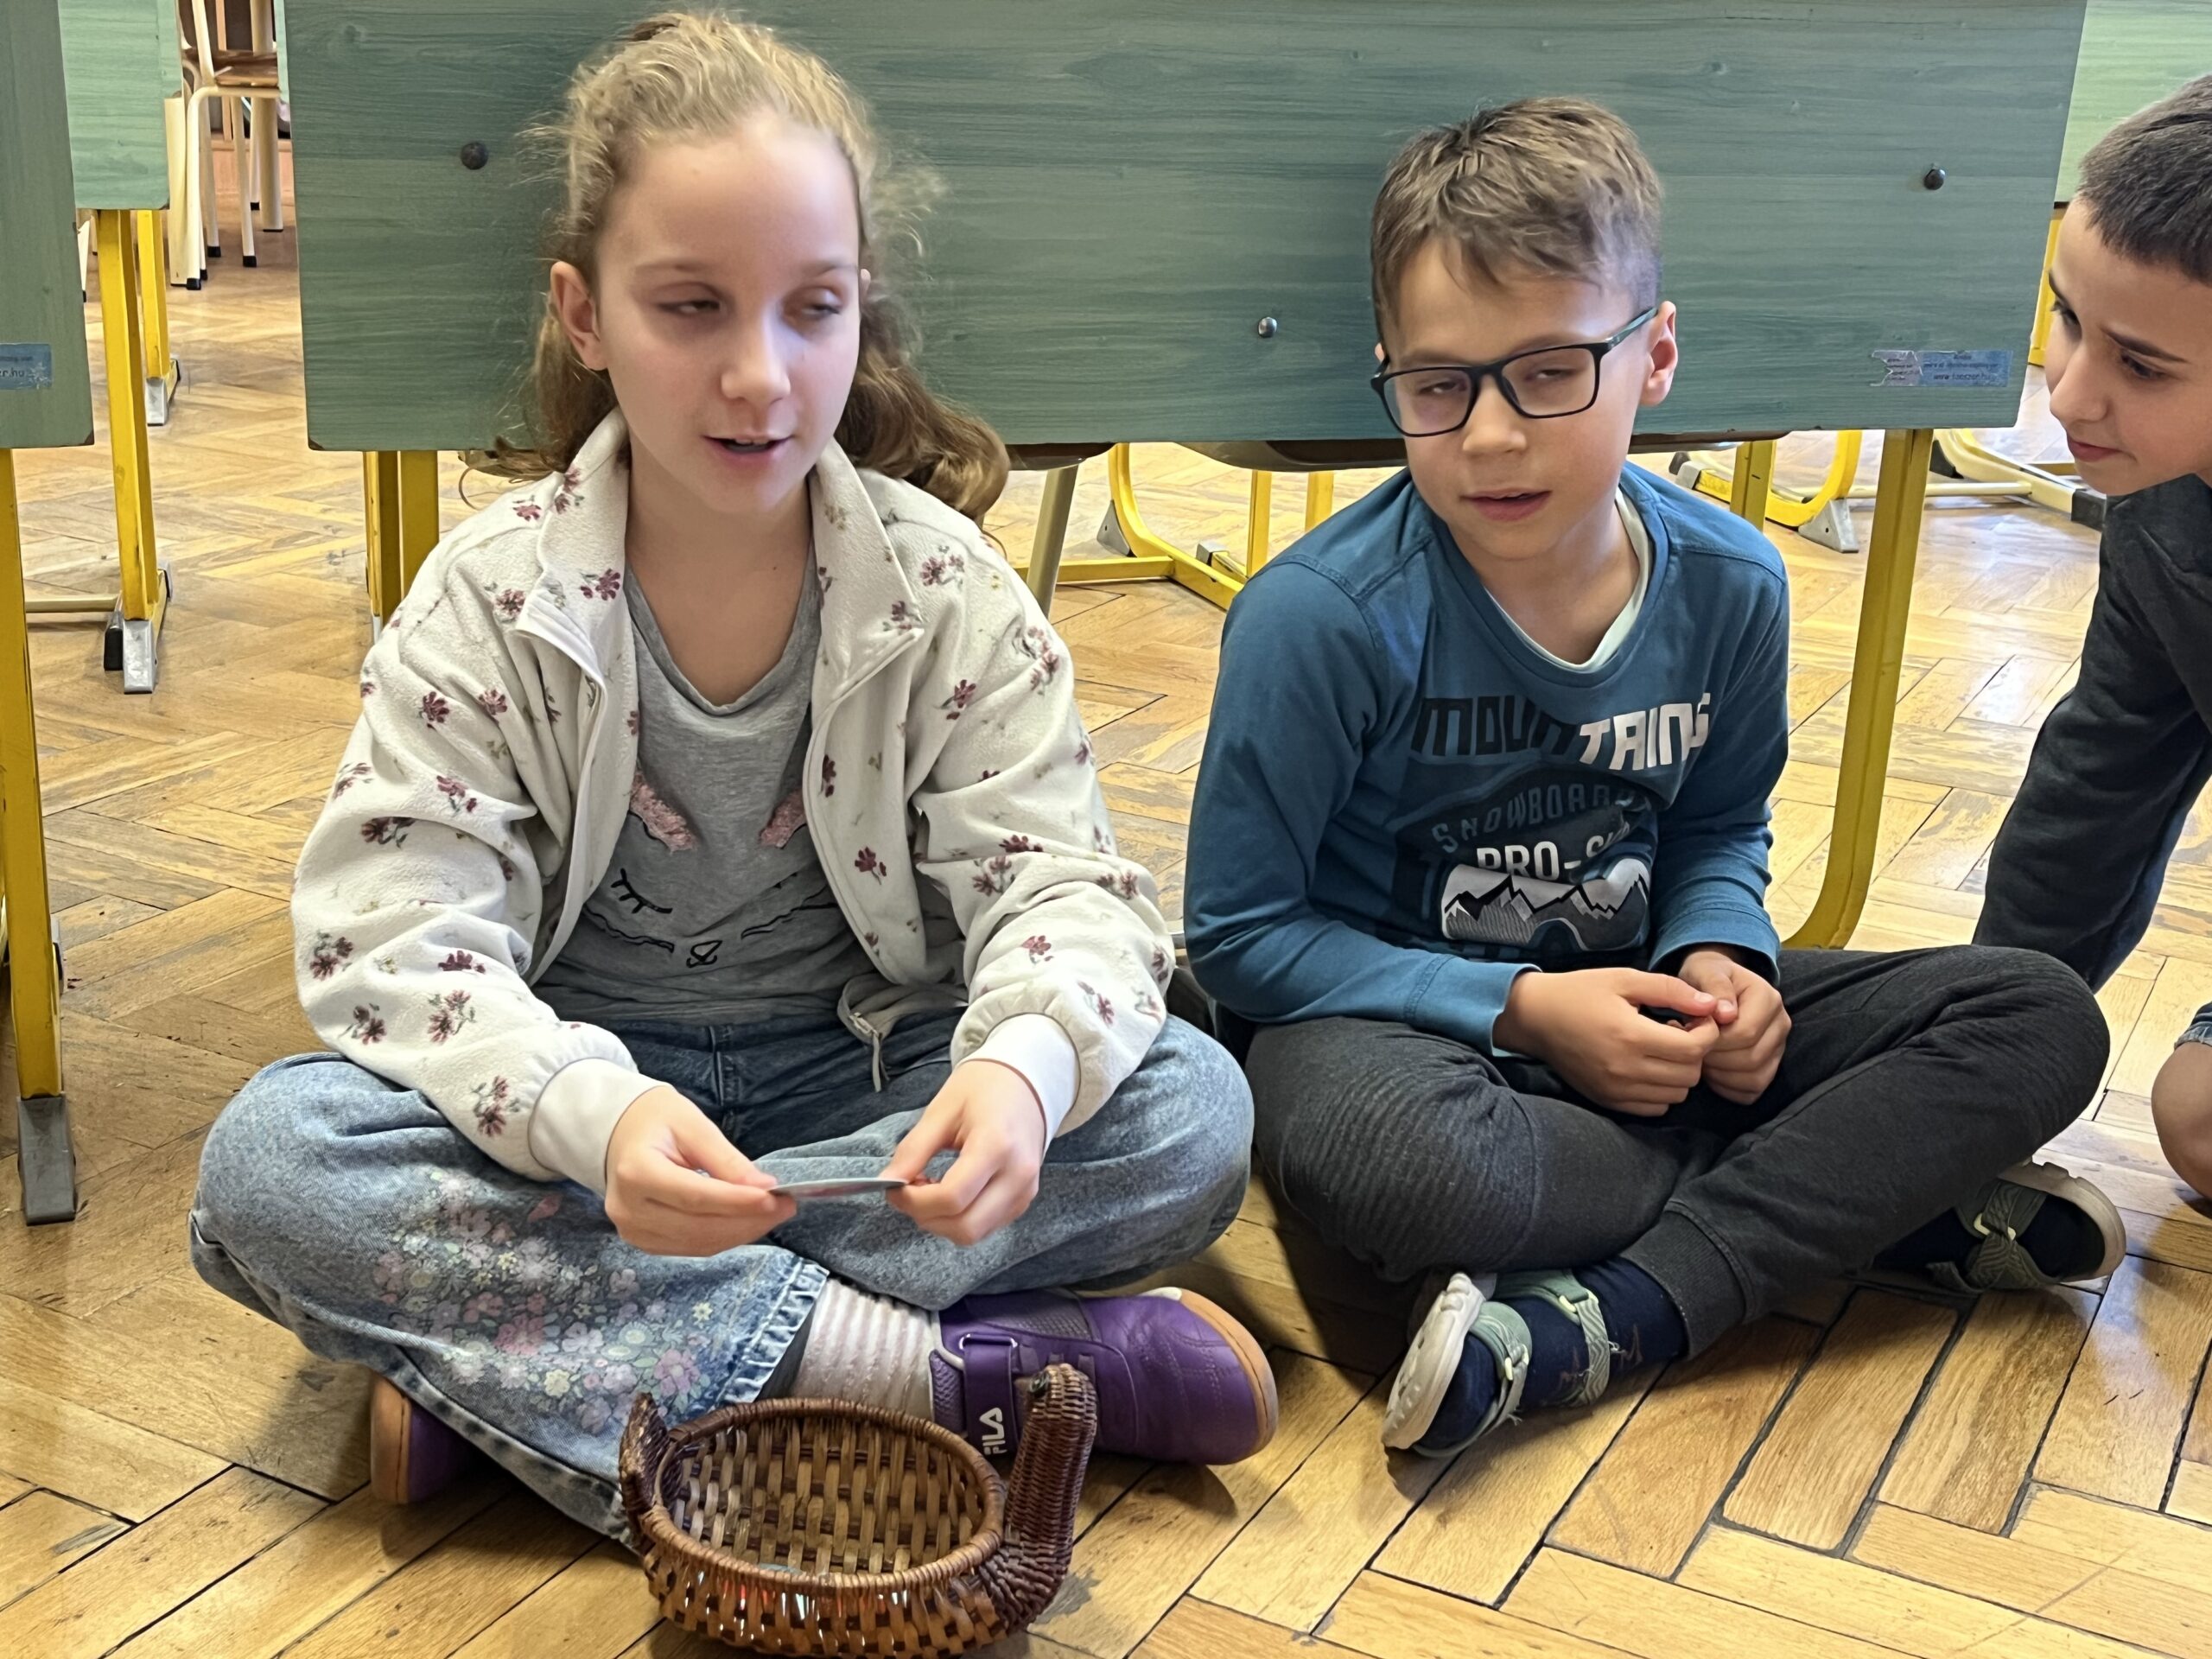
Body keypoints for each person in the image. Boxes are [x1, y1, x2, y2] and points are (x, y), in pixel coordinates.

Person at [189, 10, 1273, 1536]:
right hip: (581, 1106)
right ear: (585, 315)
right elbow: (395, 935)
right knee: (274, 1168)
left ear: (860, 309)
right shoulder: (489, 599)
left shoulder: (944, 589)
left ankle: (540, 1377)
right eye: (691, 307)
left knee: (1189, 1111)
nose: (760, 377)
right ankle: (920, 1376)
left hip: (867, 1090)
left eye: (811, 309)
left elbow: (1065, 891)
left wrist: (1018, 1074)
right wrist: (593, 1117)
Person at [1185, 98, 2117, 1460]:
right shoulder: (1320, 618)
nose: (1490, 435)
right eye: (1438, 387)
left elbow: (1721, 828)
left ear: (1656, 354)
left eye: (1551, 371)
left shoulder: (1733, 582)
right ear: (1387, 374)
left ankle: (1621, 1300)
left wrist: (1720, 952)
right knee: (1407, 1170)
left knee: (2040, 1016)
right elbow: (1240, 939)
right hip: (1407, 1037)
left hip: (1647, 1022)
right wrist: (1524, 1010)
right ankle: (1847, 1202)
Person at [1974, 76, 2212, 1199]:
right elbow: (2100, 780)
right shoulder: (2165, 507)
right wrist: (1980, 1046)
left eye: (2142, 366)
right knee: (2200, 1123)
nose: (2067, 396)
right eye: (2069, 318)